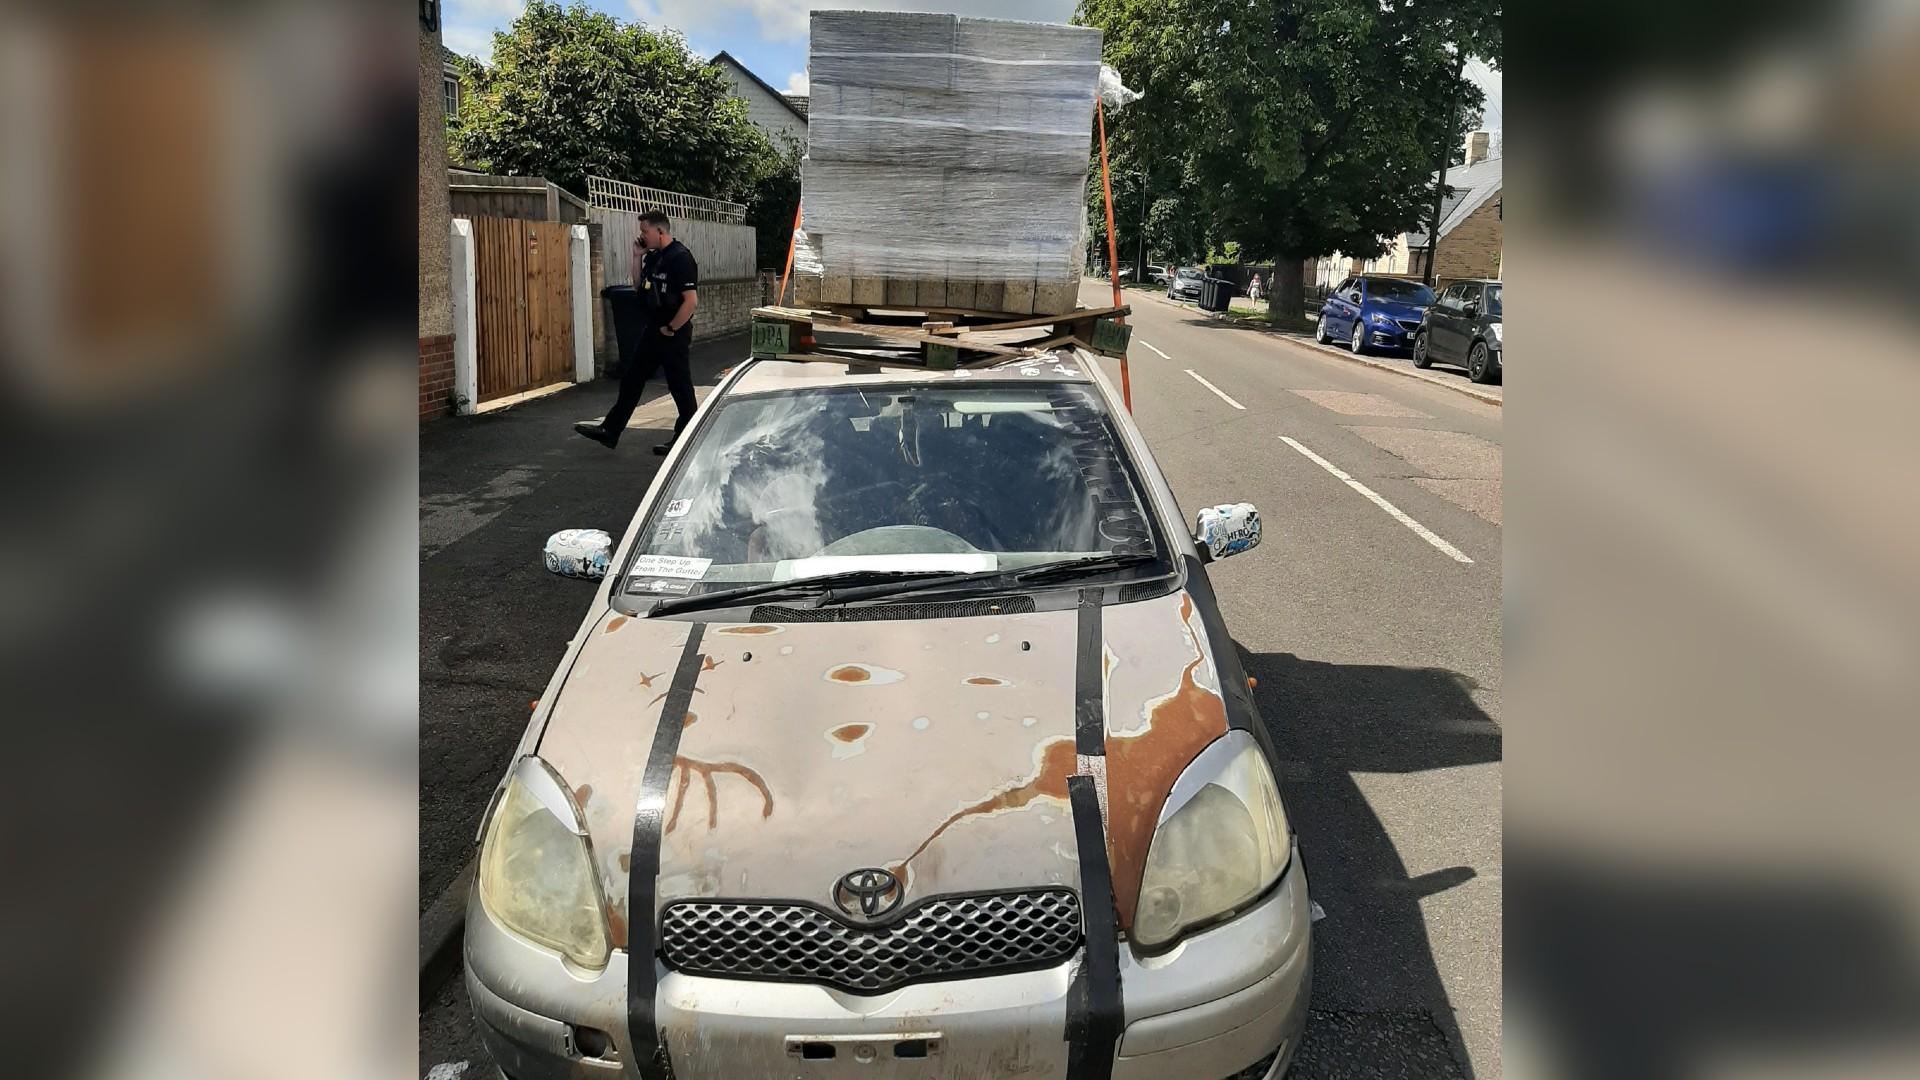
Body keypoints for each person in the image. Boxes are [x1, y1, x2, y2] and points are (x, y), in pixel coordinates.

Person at [575, 211, 700, 455]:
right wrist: (636, 257)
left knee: (680, 386)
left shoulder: (680, 258)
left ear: (660, 232)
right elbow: (638, 287)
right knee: (632, 379)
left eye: (645, 231)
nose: (641, 235)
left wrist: (671, 328)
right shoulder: (653, 258)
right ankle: (611, 430)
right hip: (653, 329)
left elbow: (691, 301)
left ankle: (687, 439)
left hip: (673, 332)